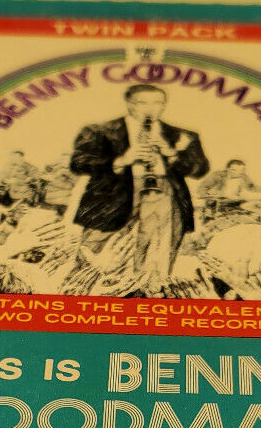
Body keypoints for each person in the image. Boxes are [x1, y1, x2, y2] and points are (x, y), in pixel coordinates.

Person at [68, 84, 208, 294]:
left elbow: (199, 169)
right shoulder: (99, 131)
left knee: (157, 253)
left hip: (164, 193)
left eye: (158, 103)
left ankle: (147, 295)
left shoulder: (182, 135)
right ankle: (82, 293)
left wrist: (170, 153)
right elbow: (79, 163)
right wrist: (122, 160)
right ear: (129, 104)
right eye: (143, 103)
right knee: (95, 249)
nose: (151, 108)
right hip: (111, 197)